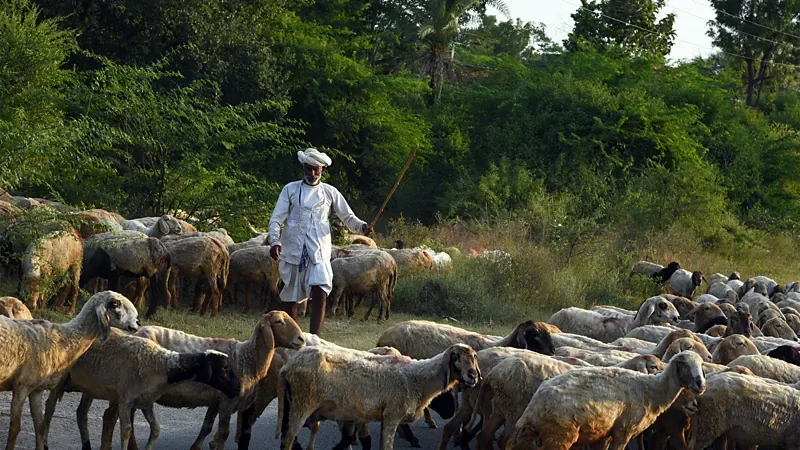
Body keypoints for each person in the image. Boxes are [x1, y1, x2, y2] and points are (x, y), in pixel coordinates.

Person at [266, 148, 373, 335]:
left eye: (316, 169)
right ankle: (293, 338)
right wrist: (275, 241)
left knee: (320, 291)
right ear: (303, 167)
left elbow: (347, 217)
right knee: (292, 298)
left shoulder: (330, 192)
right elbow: (276, 219)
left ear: (323, 169)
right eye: (309, 169)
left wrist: (362, 227)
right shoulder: (290, 190)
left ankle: (314, 339)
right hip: (293, 250)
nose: (312, 173)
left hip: (319, 251)